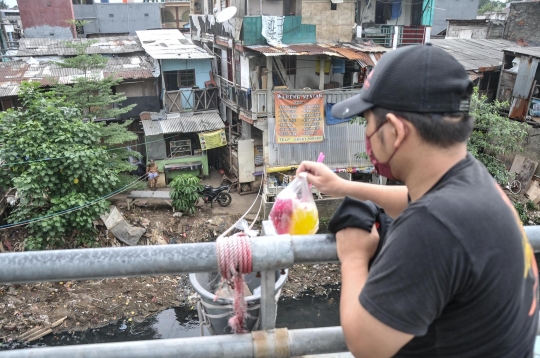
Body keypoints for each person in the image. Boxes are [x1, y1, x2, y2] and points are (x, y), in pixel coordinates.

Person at [297, 44, 538, 357]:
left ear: (395, 131)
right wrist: (344, 187)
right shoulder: (472, 180)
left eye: (368, 122)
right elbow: (415, 201)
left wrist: (354, 255)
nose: (367, 133)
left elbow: (365, 344)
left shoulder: (433, 228)